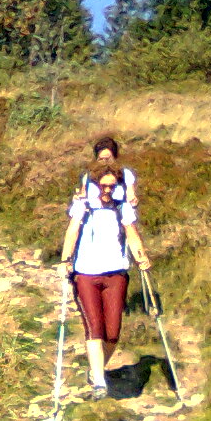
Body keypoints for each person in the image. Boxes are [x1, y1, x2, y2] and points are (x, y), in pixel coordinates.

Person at [61, 164, 150, 399]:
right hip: (86, 274)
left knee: (112, 333)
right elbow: (72, 232)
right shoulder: (84, 205)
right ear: (94, 185)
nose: (107, 190)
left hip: (116, 273)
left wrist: (141, 257)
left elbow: (132, 234)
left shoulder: (122, 207)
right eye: (103, 186)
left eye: (111, 186)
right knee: (94, 328)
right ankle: (99, 383)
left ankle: (96, 370)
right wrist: (65, 260)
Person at [83, 134, 137, 209]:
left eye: (107, 159)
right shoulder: (88, 176)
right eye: (101, 159)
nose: (104, 162)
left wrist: (132, 200)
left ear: (115, 157)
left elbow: (131, 195)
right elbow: (83, 196)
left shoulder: (125, 174)